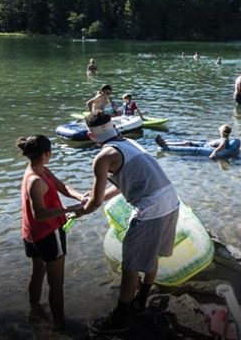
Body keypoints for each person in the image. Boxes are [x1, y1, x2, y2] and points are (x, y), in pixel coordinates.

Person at [77, 113, 179, 334]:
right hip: (171, 200)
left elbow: (93, 203)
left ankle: (121, 317)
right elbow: (124, 184)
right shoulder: (128, 143)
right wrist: (100, 197)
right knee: (153, 256)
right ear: (114, 127)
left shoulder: (103, 157)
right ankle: (140, 302)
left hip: (151, 209)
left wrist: (77, 213)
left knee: (130, 266)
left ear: (90, 135)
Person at [18, 135, 87, 331]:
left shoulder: (39, 170)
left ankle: (35, 310)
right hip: (48, 234)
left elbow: (62, 187)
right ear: (46, 154)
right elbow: (39, 214)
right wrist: (68, 210)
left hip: (30, 233)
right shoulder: (36, 181)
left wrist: (80, 196)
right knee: (56, 284)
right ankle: (60, 326)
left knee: (37, 272)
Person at [155, 124, 233, 160]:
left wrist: (214, 152)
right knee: (186, 142)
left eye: (220, 130)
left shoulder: (224, 140)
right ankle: (165, 143)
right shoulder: (224, 138)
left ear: (222, 132)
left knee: (186, 143)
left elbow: (222, 146)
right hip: (205, 145)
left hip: (204, 148)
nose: (218, 131)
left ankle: (165, 145)